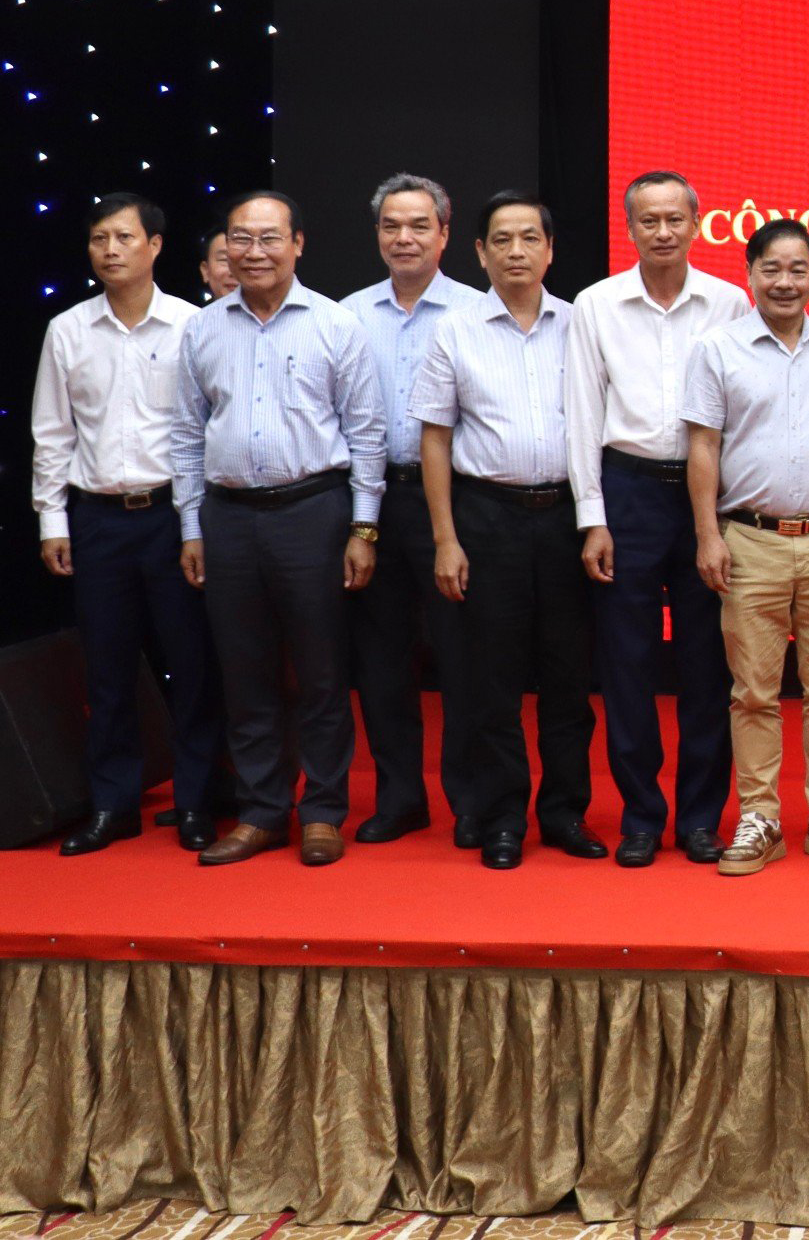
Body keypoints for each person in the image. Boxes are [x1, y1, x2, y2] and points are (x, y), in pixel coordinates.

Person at [173, 191, 386, 867]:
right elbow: (184, 433)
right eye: (241, 238)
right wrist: (190, 526)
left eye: (269, 238)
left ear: (298, 243)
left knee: (322, 672)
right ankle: (263, 810)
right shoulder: (204, 329)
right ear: (225, 248)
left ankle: (322, 810)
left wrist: (364, 528)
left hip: (313, 511)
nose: (254, 252)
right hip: (228, 516)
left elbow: (368, 433)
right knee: (246, 672)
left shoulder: (334, 324)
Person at [410, 191, 603, 870]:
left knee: (569, 677)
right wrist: (444, 536)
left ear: (550, 249)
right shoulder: (456, 329)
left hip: (564, 517)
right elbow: (435, 440)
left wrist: (593, 519)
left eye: (529, 238)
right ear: (479, 251)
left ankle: (564, 811)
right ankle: (500, 817)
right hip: (485, 517)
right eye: (502, 239)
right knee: (489, 680)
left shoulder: (582, 325)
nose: (516, 250)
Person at [31, 192, 226, 855]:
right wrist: (52, 519)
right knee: (108, 669)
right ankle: (113, 803)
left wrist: (197, 525)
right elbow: (52, 432)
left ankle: (197, 802)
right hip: (97, 520)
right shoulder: (67, 329)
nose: (109, 249)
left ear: (155, 245)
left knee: (191, 663)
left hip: (172, 516)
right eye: (96, 239)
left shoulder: (192, 326)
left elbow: (202, 434)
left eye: (121, 236)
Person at [567, 170, 748, 868]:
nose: (664, 231)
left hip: (708, 498)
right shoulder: (597, 304)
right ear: (631, 227)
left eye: (676, 218)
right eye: (650, 221)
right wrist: (593, 516)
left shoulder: (730, 302)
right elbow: (583, 413)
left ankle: (702, 817)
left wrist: (725, 517)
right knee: (627, 664)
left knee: (710, 665)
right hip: (628, 493)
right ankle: (642, 814)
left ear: (698, 224)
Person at [685, 220, 809, 877]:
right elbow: (703, 445)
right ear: (751, 273)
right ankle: (759, 815)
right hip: (750, 540)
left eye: (798, 268)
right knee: (753, 692)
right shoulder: (717, 349)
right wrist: (708, 533)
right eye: (772, 268)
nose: (785, 281)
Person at [346, 174, 482, 846]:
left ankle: (472, 801)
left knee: (463, 659)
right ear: (377, 236)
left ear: (446, 233)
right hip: (374, 497)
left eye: (419, 225)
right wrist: (361, 523)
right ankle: (400, 797)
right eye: (392, 226)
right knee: (381, 659)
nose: (405, 238)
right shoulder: (346, 315)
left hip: (457, 505)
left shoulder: (478, 312)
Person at [197, 230, 235, 303]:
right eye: (224, 259)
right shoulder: (193, 313)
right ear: (205, 271)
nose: (234, 272)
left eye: (243, 262)